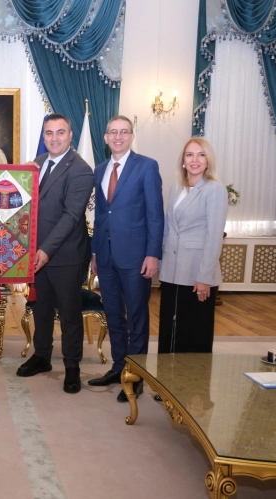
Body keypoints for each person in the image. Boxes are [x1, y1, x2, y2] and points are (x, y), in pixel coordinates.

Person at [15, 114, 94, 394]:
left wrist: (46, 250)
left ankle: (72, 367)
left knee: (70, 313)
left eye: (61, 132)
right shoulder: (36, 163)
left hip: (65, 256)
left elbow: (71, 217)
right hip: (35, 254)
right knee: (41, 308)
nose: (54, 138)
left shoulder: (81, 170)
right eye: (49, 133)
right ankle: (42, 356)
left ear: (71, 135)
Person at [88, 115, 164, 402]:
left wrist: (153, 254)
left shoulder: (147, 166)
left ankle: (136, 375)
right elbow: (100, 214)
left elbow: (155, 215)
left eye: (124, 132)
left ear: (132, 136)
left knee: (136, 317)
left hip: (136, 256)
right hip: (106, 256)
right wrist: (95, 252)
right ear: (105, 138)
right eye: (113, 132)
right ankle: (118, 367)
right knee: (113, 316)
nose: (118, 137)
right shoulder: (100, 169)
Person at [158, 137, 227, 354]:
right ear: (183, 161)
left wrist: (205, 277)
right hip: (171, 270)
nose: (195, 160)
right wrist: (161, 263)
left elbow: (214, 236)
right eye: (190, 155)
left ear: (208, 161)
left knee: (194, 330)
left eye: (201, 155)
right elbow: (168, 228)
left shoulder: (215, 190)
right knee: (169, 328)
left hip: (197, 272)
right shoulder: (176, 188)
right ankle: (165, 373)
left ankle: (193, 376)